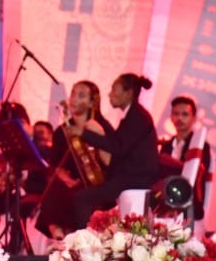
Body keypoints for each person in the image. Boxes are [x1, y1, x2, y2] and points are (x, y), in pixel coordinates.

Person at [71, 72, 160, 226]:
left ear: (128, 93)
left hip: (134, 180)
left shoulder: (138, 117)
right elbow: (116, 141)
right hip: (128, 178)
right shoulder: (133, 115)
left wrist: (83, 134)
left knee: (82, 199)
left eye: (114, 89)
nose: (110, 94)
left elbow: (118, 147)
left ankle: (87, 238)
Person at [35, 81, 112, 239]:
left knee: (76, 195)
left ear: (92, 103)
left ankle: (65, 236)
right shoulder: (62, 131)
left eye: (81, 95)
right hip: (70, 183)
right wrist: (65, 178)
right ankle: (58, 235)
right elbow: (55, 165)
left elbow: (110, 163)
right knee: (57, 187)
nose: (74, 99)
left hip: (97, 183)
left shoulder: (102, 127)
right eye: (73, 94)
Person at [159, 95, 211, 221]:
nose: (180, 118)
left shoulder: (200, 147)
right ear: (171, 117)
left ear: (194, 118)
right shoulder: (166, 146)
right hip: (164, 204)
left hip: (189, 207)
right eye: (176, 114)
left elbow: (197, 176)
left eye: (185, 114)